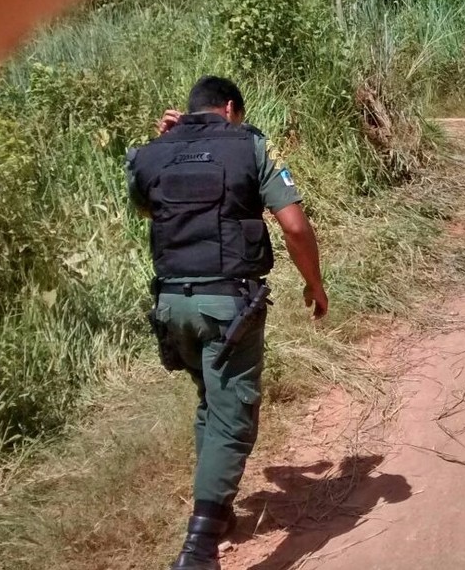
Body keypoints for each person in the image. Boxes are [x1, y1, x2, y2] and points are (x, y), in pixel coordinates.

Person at [126, 75, 329, 570]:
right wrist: (315, 284)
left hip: (171, 305)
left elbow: (150, 208)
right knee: (234, 417)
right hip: (228, 307)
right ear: (232, 107)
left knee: (208, 401)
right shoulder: (251, 147)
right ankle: (199, 550)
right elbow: (295, 226)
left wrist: (171, 142)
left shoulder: (151, 152)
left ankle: (219, 515)